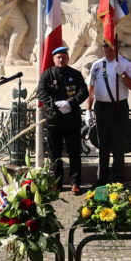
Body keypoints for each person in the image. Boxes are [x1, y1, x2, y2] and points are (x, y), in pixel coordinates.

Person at [35, 45, 89, 194]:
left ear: (67, 58)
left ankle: (75, 183)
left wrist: (70, 103)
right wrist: (55, 104)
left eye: (64, 57)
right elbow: (40, 93)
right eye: (58, 57)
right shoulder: (47, 74)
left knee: (74, 154)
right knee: (55, 155)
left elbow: (83, 92)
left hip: (72, 121)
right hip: (54, 121)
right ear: (53, 59)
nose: (61, 59)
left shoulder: (75, 74)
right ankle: (56, 183)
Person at [85, 40, 131, 187]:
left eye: (111, 48)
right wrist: (88, 110)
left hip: (119, 106)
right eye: (105, 47)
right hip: (102, 107)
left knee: (118, 144)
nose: (108, 51)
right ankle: (102, 178)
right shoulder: (97, 65)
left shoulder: (126, 64)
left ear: (117, 48)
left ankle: (118, 178)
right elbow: (91, 89)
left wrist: (122, 74)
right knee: (103, 144)